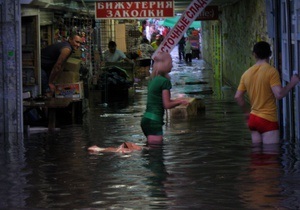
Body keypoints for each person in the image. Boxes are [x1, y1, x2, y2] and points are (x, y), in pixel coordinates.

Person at [234, 41, 299, 145]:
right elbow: (279, 94)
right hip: (268, 120)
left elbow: (238, 97)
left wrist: (247, 113)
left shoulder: (246, 73)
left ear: (254, 54)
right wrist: (292, 82)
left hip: (253, 119)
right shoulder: (271, 71)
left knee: (257, 158)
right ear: (270, 54)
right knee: (270, 157)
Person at [141, 52, 189, 145]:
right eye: (170, 63)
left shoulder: (153, 80)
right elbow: (167, 105)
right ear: (165, 64)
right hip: (155, 121)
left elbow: (160, 101)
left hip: (146, 119)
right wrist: (180, 102)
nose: (172, 65)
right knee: (156, 155)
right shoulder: (165, 82)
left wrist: (178, 100)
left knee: (151, 151)